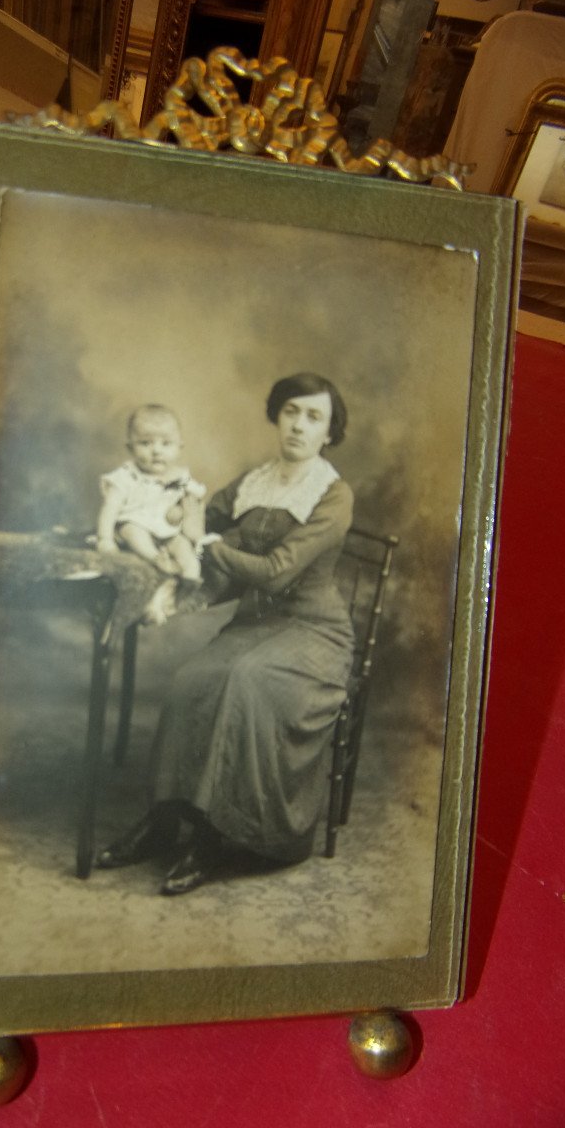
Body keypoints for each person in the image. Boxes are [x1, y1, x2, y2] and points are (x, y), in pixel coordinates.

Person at [96, 373, 355, 894]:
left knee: (243, 681)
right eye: (291, 412)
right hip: (254, 625)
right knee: (190, 678)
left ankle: (213, 836)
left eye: (313, 417)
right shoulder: (254, 480)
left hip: (314, 633)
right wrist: (148, 521)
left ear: (329, 432)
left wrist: (203, 542)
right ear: (276, 416)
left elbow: (278, 569)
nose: (299, 425)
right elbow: (194, 520)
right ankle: (163, 820)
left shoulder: (333, 494)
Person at [96, 404, 205, 583]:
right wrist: (104, 539)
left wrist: (186, 519)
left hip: (168, 532)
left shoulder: (181, 478)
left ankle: (189, 580)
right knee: (131, 528)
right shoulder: (126, 476)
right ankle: (155, 558)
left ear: (179, 447)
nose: (156, 451)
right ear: (131, 448)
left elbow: (194, 507)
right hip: (135, 527)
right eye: (145, 443)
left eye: (166, 443)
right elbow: (110, 509)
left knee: (185, 551)